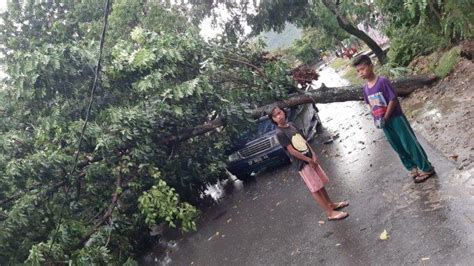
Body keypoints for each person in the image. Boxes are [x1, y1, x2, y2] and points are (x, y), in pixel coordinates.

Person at [353, 55, 435, 183]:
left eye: (362, 69)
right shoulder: (365, 88)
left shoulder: (382, 81)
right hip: (383, 123)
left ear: (371, 65)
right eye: (358, 71)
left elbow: (393, 99)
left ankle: (426, 168)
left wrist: (386, 116)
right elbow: (369, 104)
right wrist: (376, 118)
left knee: (409, 143)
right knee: (397, 146)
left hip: (395, 118)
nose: (361, 73)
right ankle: (412, 168)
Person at [269, 106, 349, 221]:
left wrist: (313, 154)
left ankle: (331, 204)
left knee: (320, 184)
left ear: (284, 112)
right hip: (303, 163)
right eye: (275, 116)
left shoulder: (291, 125)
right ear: (273, 119)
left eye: (279, 113)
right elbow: (291, 151)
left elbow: (303, 141)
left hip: (310, 158)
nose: (279, 116)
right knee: (315, 188)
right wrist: (308, 160)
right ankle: (330, 213)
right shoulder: (280, 133)